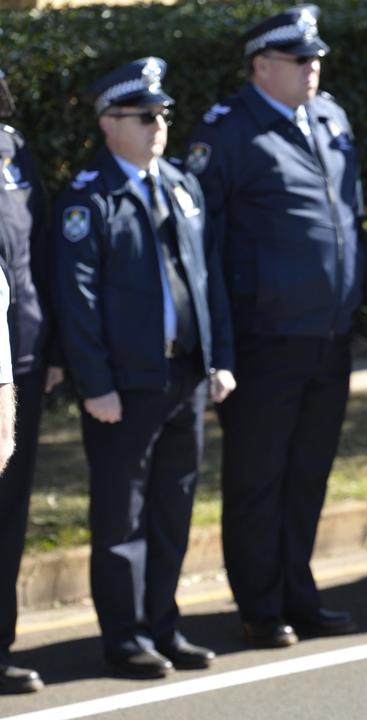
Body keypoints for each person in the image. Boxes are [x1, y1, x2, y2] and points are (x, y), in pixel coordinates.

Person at [186, 4, 363, 647]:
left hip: (329, 331)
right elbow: (204, 248)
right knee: (258, 478)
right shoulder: (227, 133)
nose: (313, 68)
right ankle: (261, 606)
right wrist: (221, 347)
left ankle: (299, 590)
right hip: (264, 338)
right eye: (300, 60)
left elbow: (349, 213)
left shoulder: (331, 116)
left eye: (317, 58)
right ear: (262, 65)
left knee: (308, 473)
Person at [52, 58, 234, 678]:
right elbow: (76, 302)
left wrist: (219, 361)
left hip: (183, 376)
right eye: (144, 116)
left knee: (172, 511)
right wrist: (95, 384)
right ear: (109, 124)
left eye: (163, 115)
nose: (159, 125)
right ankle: (125, 638)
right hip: (124, 388)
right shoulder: (89, 198)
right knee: (121, 518)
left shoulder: (182, 184)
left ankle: (164, 625)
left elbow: (207, 283)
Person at [0, 68, 61, 695]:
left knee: (9, 513)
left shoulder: (14, 151)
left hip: (18, 361)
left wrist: (53, 348)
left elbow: (40, 254)